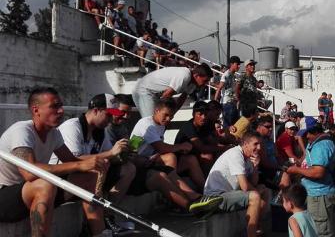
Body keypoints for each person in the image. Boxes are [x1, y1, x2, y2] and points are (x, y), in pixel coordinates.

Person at [0, 87, 109, 236]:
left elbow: (72, 161)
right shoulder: (21, 131)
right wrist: (79, 164)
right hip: (5, 196)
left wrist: (97, 162)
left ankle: (99, 233)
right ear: (36, 110)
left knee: (90, 176)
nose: (61, 111)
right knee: (45, 184)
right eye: (54, 106)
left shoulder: (54, 133)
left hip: (30, 193)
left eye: (61, 106)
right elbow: (29, 173)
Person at [49, 93, 136, 234]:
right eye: (108, 115)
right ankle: (95, 227)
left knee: (128, 169)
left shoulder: (100, 131)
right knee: (95, 170)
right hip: (62, 179)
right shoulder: (73, 126)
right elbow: (72, 161)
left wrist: (123, 155)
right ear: (96, 110)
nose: (110, 119)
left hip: (86, 177)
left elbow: (109, 156)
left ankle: (108, 216)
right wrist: (111, 153)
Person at [129, 98, 222, 213]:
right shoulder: (146, 124)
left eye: (171, 116)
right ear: (156, 111)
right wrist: (182, 146)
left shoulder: (161, 125)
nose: (168, 119)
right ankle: (181, 199)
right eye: (166, 115)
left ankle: (207, 192)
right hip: (139, 163)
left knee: (190, 159)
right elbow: (160, 147)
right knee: (170, 157)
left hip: (152, 160)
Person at [204, 131, 271, 237]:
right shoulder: (235, 154)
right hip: (216, 197)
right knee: (255, 196)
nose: (259, 148)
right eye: (255, 144)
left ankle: (256, 228)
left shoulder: (248, 159)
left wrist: (255, 167)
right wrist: (257, 191)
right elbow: (245, 186)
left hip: (230, 194)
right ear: (245, 144)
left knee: (264, 191)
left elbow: (253, 183)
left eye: (260, 144)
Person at [286, 124, 335, 237]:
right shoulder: (315, 143)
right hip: (316, 194)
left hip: (320, 195)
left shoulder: (321, 145)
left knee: (321, 232)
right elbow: (307, 159)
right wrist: (299, 165)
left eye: (307, 134)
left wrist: (297, 170)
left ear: (315, 132)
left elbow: (318, 172)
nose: (305, 137)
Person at [132, 63, 213, 117]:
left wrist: (172, 114)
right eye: (205, 80)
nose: (205, 84)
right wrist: (165, 115)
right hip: (144, 90)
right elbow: (166, 96)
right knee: (150, 123)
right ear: (196, 75)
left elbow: (181, 99)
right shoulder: (184, 75)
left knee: (157, 125)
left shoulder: (192, 84)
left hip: (154, 94)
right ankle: (134, 143)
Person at [255, 115, 291, 194]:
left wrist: (284, 164)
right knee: (285, 176)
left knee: (292, 170)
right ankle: (283, 200)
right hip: (263, 170)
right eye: (268, 127)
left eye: (271, 126)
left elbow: (277, 156)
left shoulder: (269, 139)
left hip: (274, 168)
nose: (271, 129)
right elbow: (265, 163)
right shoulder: (257, 140)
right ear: (259, 127)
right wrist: (280, 167)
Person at [214, 56, 242, 128]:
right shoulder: (226, 74)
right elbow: (219, 88)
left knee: (235, 126)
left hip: (232, 103)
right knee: (227, 127)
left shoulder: (233, 75)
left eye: (239, 64)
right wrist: (214, 102)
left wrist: (237, 100)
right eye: (237, 64)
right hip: (227, 104)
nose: (239, 66)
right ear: (231, 64)